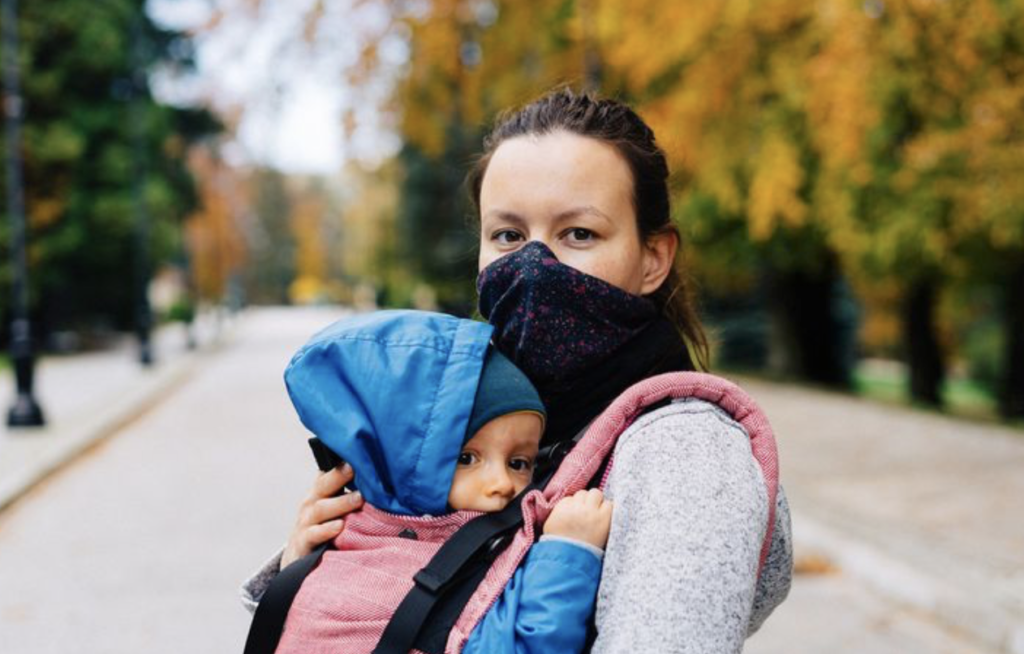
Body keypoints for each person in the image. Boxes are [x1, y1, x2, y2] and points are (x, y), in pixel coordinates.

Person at [244, 88, 793, 652]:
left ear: (653, 258)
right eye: (508, 235)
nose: (533, 266)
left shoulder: (684, 452)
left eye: (578, 233)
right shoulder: (476, 409)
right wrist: (320, 567)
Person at [272, 310, 612, 653]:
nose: (503, 484)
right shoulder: (368, 574)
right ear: (398, 461)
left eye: (518, 462)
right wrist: (567, 553)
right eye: (466, 458)